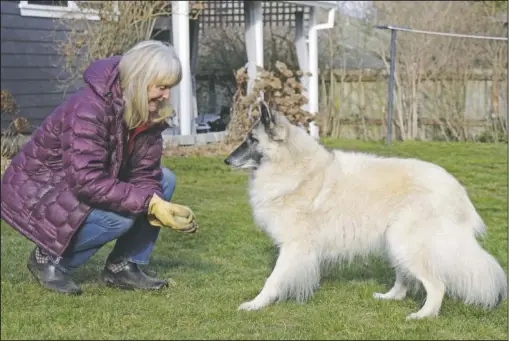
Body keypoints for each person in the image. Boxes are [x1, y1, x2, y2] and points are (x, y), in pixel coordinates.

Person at [1, 40, 198, 295]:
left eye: (169, 88)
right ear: (139, 80)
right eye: (161, 87)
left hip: (84, 180)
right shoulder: (90, 108)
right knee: (116, 221)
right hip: (43, 187)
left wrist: (154, 201)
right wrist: (149, 203)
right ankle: (47, 259)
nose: (166, 96)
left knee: (165, 180)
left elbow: (145, 172)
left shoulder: (148, 111)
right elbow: (86, 180)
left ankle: (123, 266)